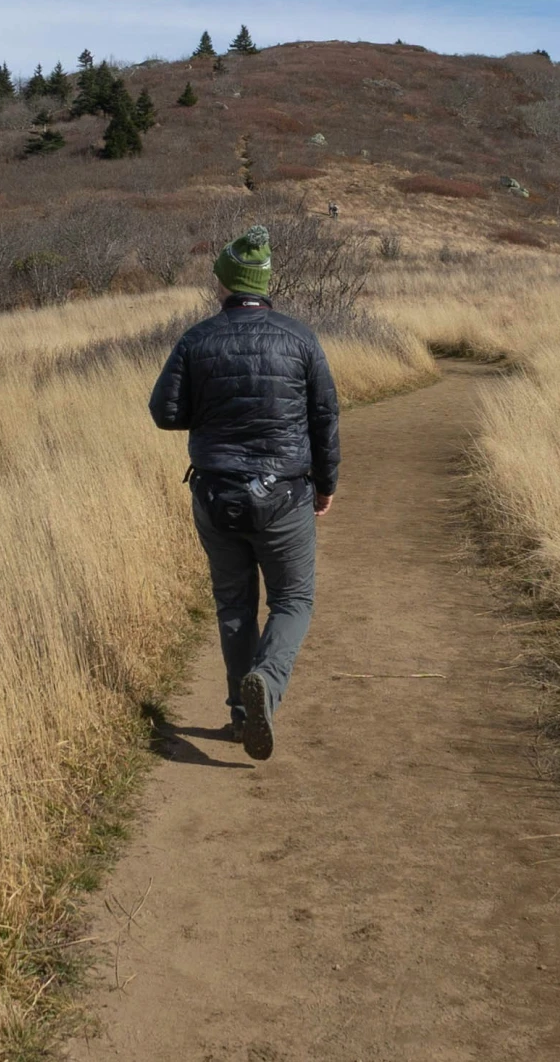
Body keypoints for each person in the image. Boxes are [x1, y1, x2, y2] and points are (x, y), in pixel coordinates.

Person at [148, 225, 339, 760]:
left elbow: (165, 413)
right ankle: (266, 686)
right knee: (294, 599)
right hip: (286, 496)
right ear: (265, 282)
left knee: (234, 602)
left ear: (226, 284)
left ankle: (240, 712)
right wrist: (326, 485)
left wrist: (208, 412)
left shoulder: (196, 339)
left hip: (216, 494)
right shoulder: (299, 338)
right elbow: (325, 417)